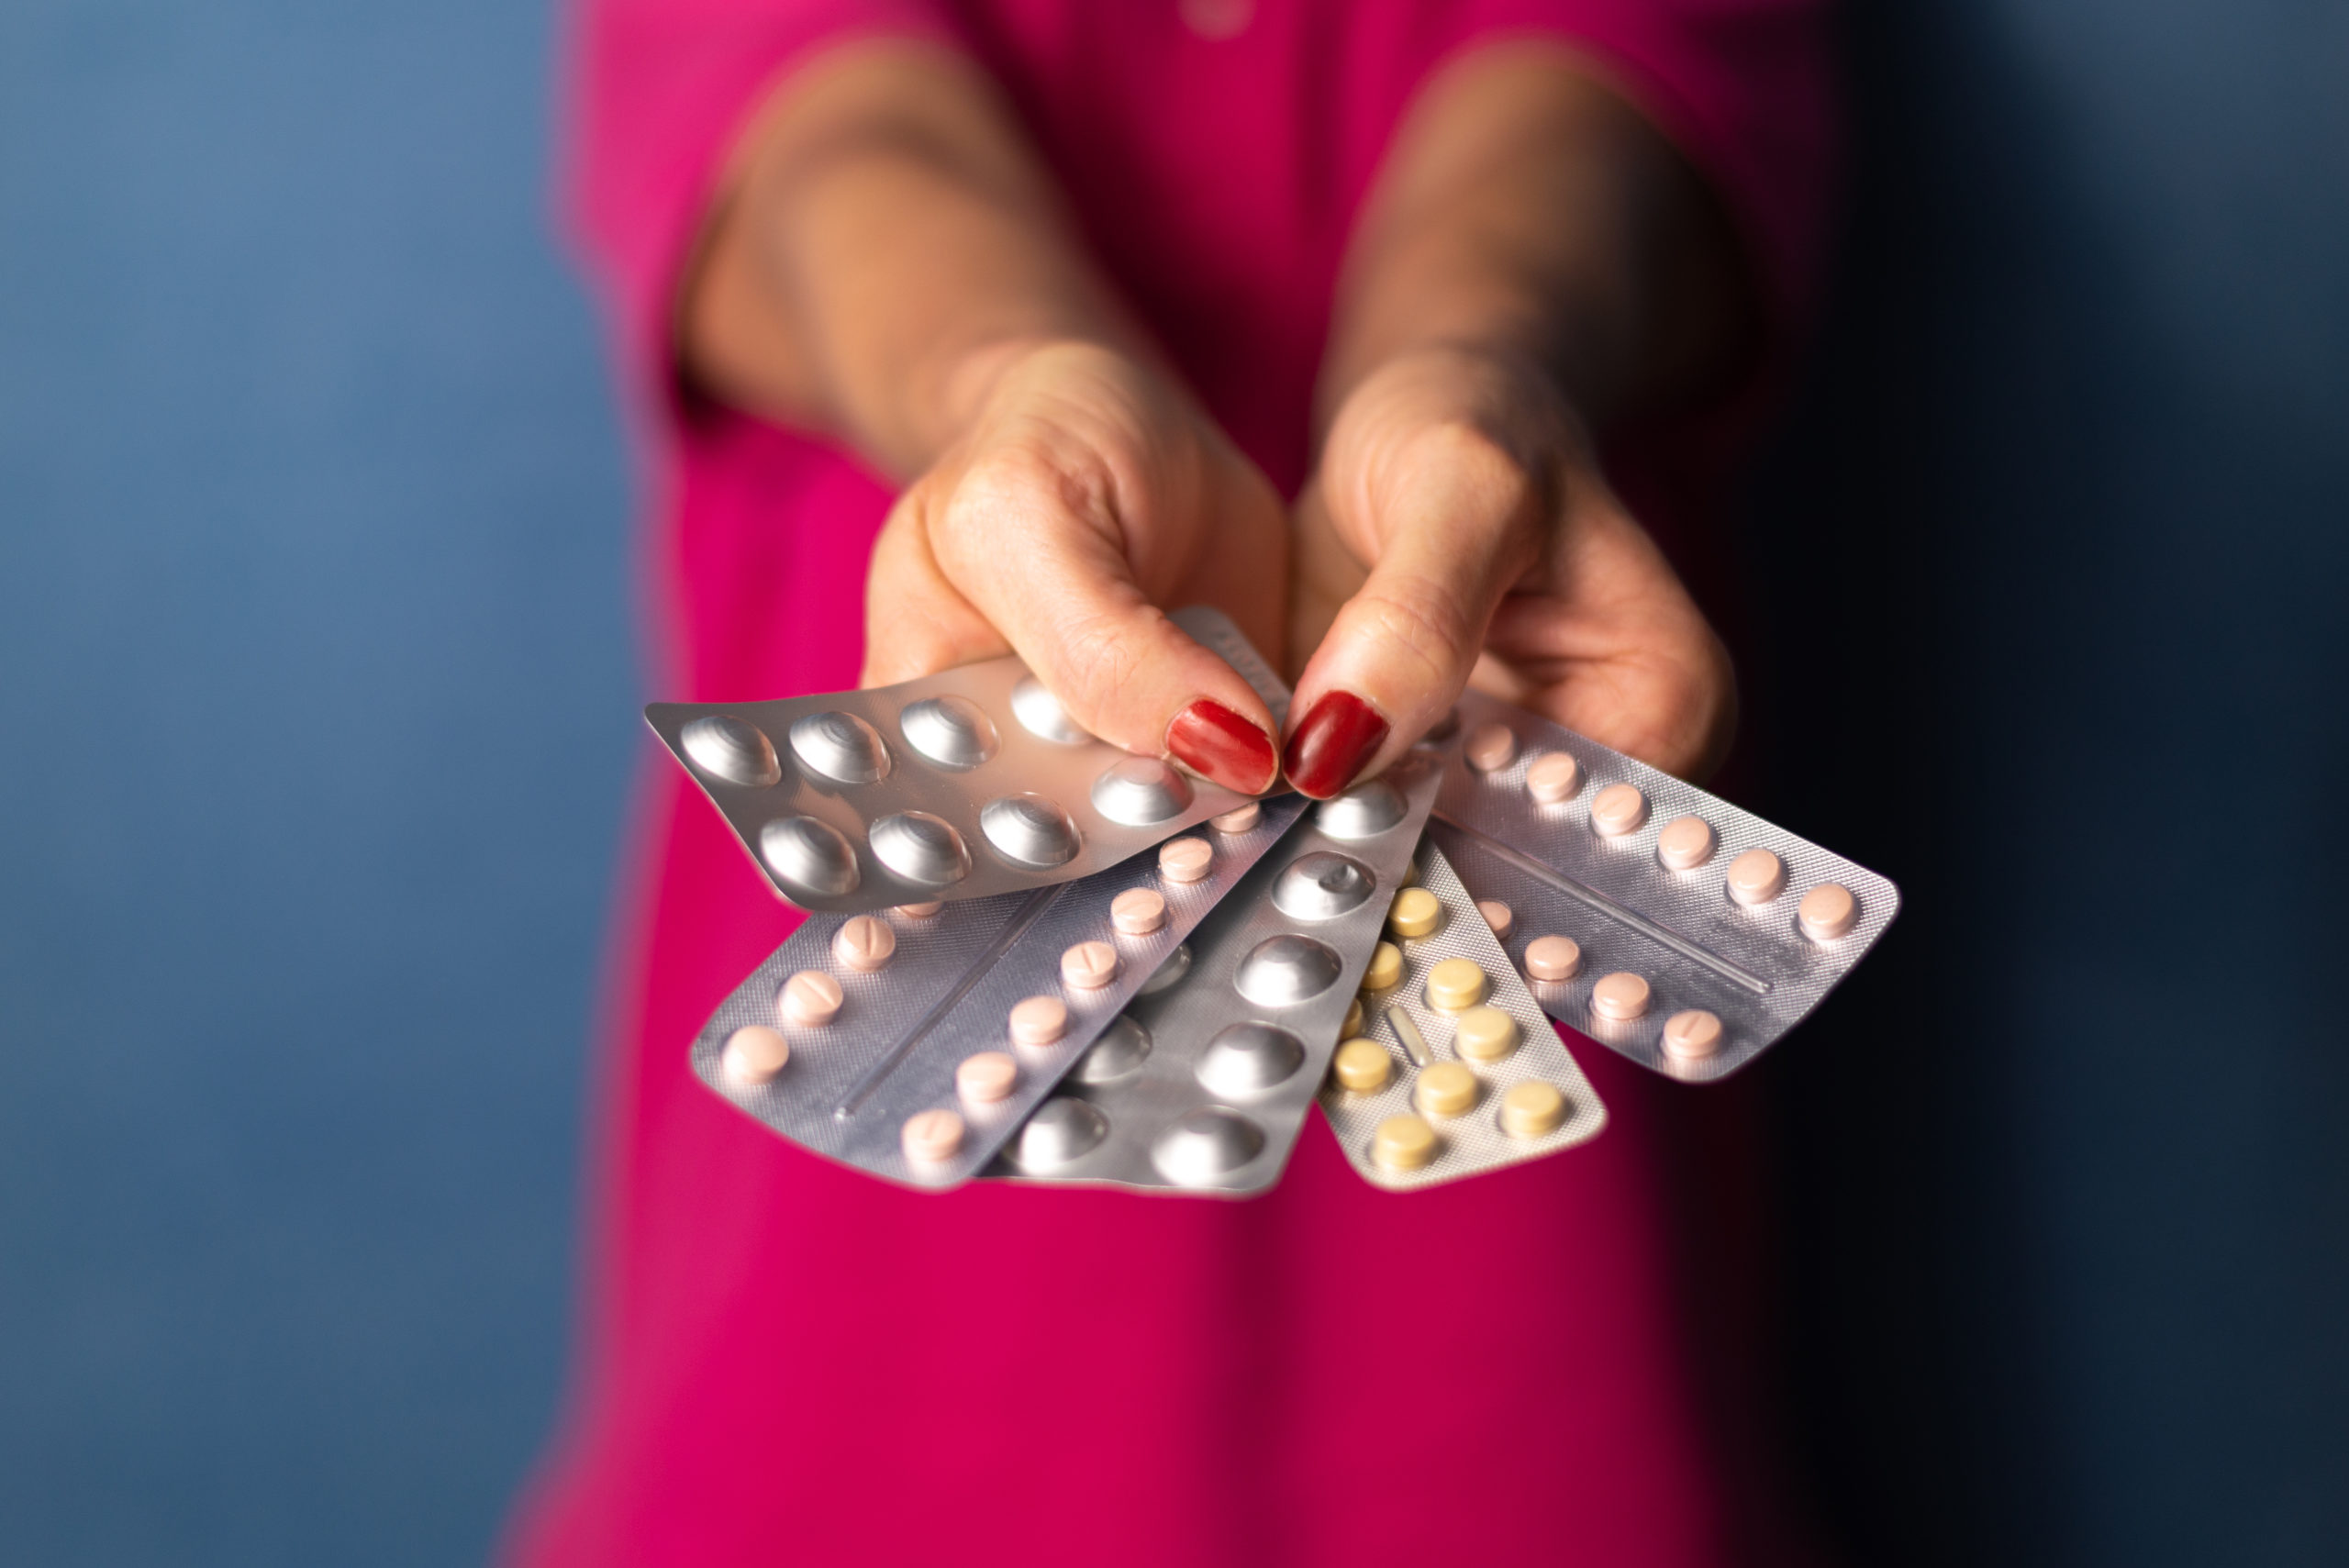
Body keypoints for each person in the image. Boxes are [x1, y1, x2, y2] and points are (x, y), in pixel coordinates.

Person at [507, 3, 1829, 1562]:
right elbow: (827, 160)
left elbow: (1606, 129)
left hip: (1515, 1373)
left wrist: (1469, 382)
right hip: (858, 1346)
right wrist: (1005, 387)